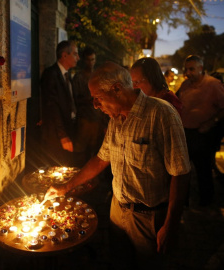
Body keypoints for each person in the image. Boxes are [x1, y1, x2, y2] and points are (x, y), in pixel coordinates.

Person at [45, 61, 191, 268]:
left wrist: (171, 225)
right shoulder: (115, 119)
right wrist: (65, 187)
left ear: (117, 89)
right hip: (117, 211)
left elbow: (181, 172)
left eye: (98, 98)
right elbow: (102, 158)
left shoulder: (161, 114)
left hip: (148, 218)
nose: (95, 105)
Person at [177, 55, 224, 207]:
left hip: (203, 135)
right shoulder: (185, 85)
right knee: (183, 171)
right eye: (186, 69)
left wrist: (211, 123)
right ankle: (183, 203)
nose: (188, 73)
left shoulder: (213, 84)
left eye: (191, 69)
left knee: (204, 170)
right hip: (185, 134)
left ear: (201, 69)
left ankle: (206, 203)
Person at [40, 40, 80, 167]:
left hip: (68, 126)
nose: (78, 58)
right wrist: (62, 135)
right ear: (64, 55)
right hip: (56, 134)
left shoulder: (67, 75)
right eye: (75, 54)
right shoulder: (51, 74)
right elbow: (52, 107)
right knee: (58, 166)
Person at [72, 47, 107, 166]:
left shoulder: (98, 76)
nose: (90, 62)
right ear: (84, 60)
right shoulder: (79, 77)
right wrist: (90, 99)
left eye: (93, 60)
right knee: (81, 152)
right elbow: (75, 99)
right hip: (84, 120)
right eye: (88, 60)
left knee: (95, 151)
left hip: (97, 120)